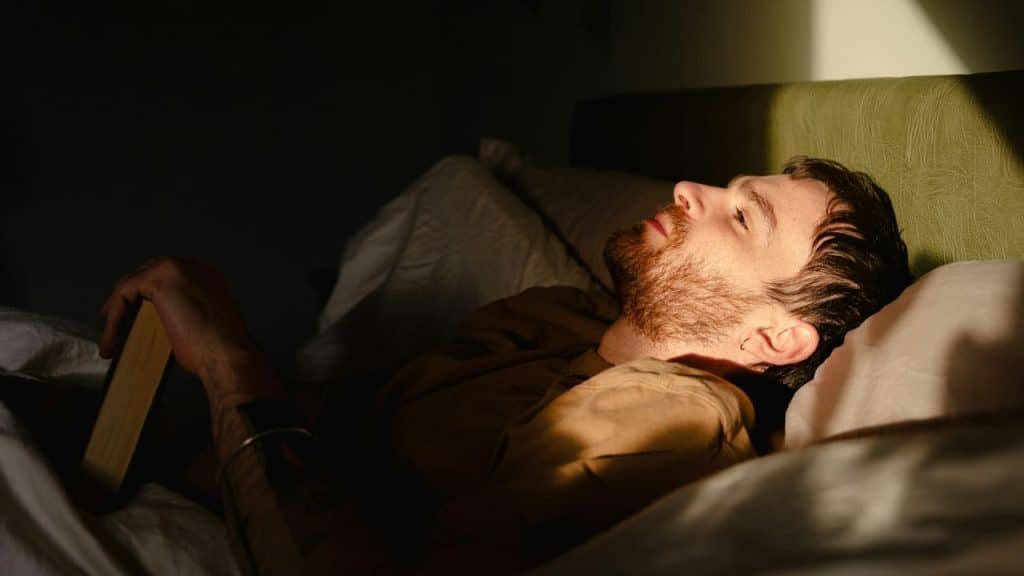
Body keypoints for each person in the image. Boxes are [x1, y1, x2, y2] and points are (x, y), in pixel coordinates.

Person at [99, 156, 911, 574]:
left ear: (770, 341)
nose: (687, 187)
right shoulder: (554, 314)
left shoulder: (675, 422)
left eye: (742, 215)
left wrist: (228, 363)